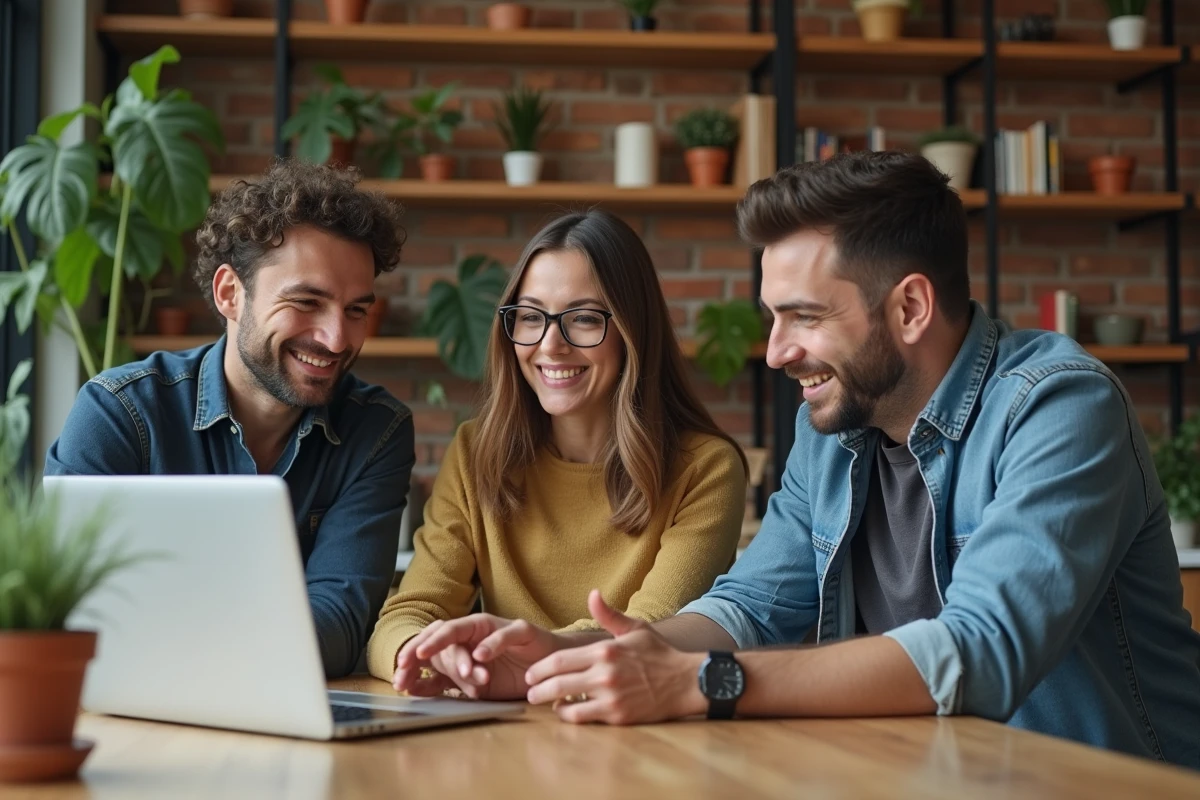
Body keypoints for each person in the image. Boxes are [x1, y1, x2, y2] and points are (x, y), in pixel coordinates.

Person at [400, 152, 1200, 768]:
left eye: (803, 317)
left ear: (910, 307)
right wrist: (563, 656)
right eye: (772, 316)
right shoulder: (833, 429)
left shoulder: (1058, 407)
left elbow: (979, 650)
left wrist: (706, 684)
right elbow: (749, 608)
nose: (777, 351)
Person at [44, 160, 416, 679]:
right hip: (129, 716)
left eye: (356, 311)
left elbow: (340, 621)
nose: (335, 339)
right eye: (306, 302)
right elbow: (64, 606)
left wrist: (172, 639)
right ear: (229, 294)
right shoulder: (120, 412)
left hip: (287, 724)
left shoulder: (376, 430)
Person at [367, 210, 747, 691]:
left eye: (584, 319)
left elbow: (649, 635)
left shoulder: (706, 469)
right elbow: (410, 612)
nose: (550, 345)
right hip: (502, 730)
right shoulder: (475, 453)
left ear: (635, 329)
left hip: (639, 737)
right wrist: (417, 652)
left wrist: (514, 655)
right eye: (529, 317)